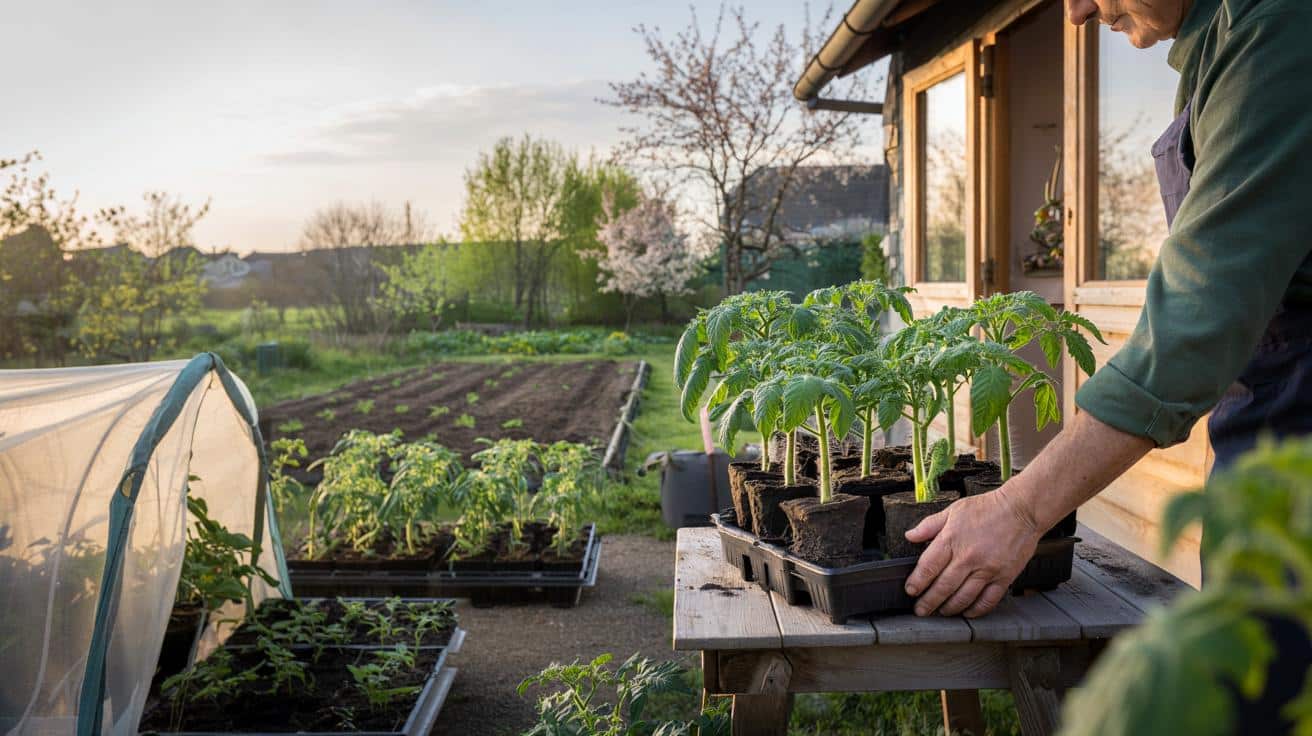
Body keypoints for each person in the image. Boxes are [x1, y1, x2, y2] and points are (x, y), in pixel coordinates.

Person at [903, 0, 1312, 730]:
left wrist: (1022, 508)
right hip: (1263, 450)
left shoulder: (1282, 30)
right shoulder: (1217, 42)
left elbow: (1195, 318)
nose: (1079, 11)